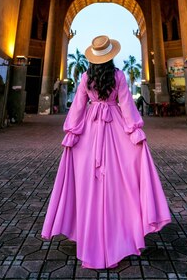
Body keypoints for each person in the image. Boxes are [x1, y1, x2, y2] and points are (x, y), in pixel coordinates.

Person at [41, 35, 171, 269]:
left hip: (90, 129)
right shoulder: (118, 76)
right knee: (120, 183)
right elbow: (127, 106)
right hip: (115, 128)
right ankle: (119, 236)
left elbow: (79, 107)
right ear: (109, 56)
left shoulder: (85, 78)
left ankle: (91, 237)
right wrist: (134, 131)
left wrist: (71, 132)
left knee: (88, 183)